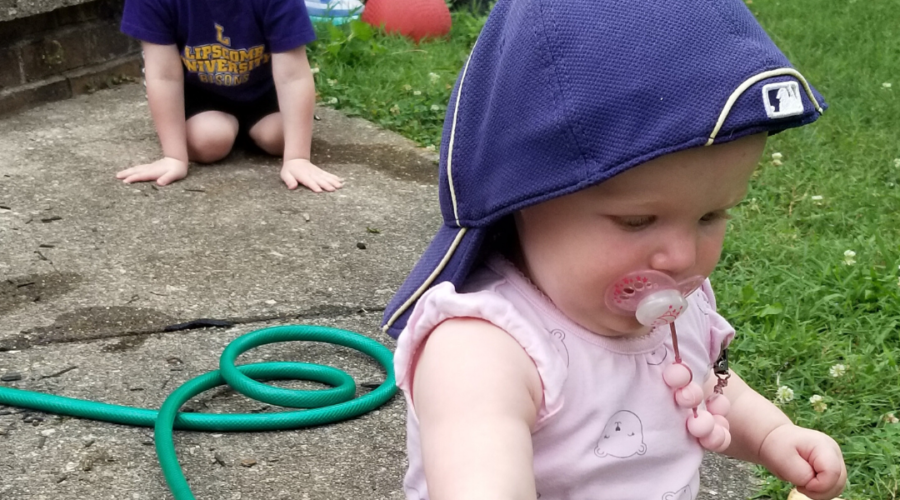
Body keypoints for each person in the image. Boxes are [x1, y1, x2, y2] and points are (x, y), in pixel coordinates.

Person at [380, 0, 847, 499]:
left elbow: (711, 384)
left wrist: (775, 436)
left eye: (711, 216)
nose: (681, 257)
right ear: (524, 201)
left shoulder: (675, 308)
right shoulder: (482, 351)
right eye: (637, 220)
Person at [117, 0, 343, 192]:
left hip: (265, 91)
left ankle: (255, 132)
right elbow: (164, 76)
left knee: (279, 139)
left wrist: (297, 158)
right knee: (209, 141)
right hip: (201, 94)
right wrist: (174, 157)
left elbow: (293, 77)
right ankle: (227, 130)